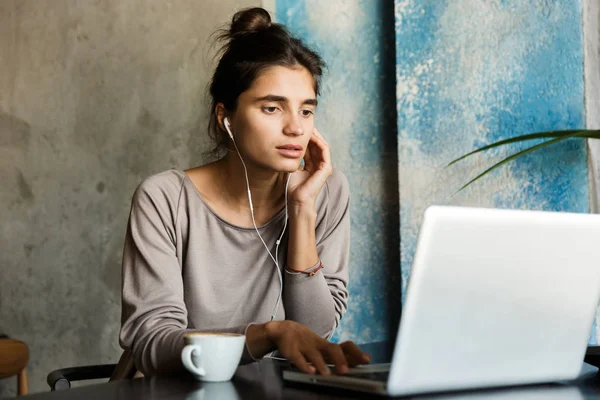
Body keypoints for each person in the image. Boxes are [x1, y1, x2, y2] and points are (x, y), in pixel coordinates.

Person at [119, 7, 370, 378]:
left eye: (306, 111)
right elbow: (153, 345)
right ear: (226, 116)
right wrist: (267, 334)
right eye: (272, 108)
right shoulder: (164, 199)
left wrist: (301, 210)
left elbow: (315, 332)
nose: (295, 128)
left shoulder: (325, 189)